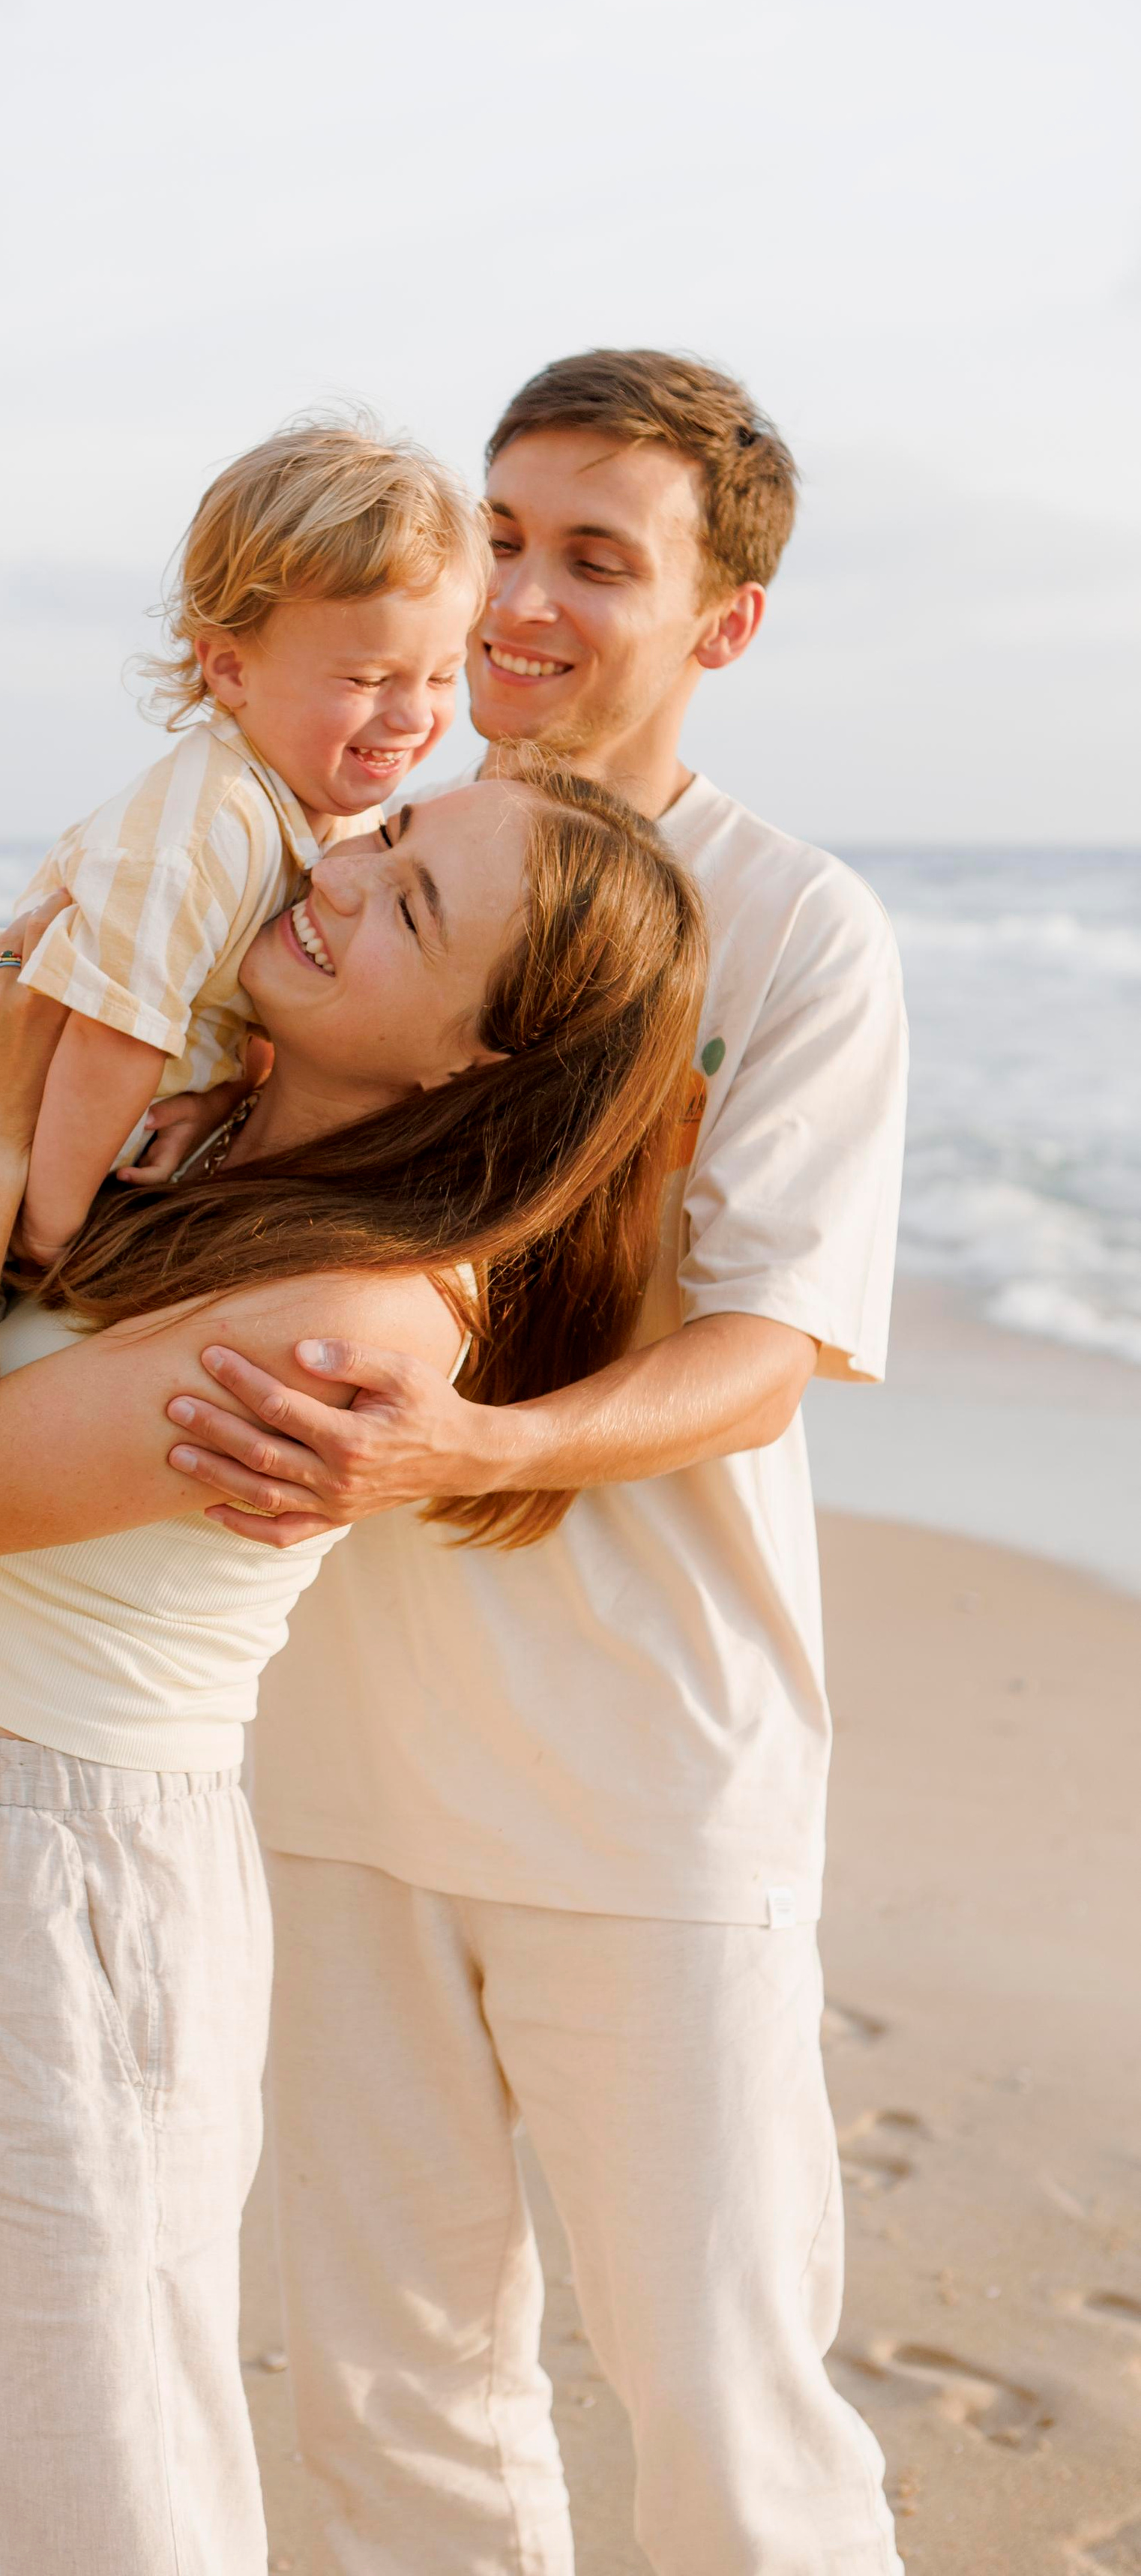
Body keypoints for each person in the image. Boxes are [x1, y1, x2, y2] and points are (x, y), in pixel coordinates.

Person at [0, 771, 705, 2572]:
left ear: (473, 1068)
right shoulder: (194, 1131)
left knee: (67, 2487)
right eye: (386, 836)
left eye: (413, 908)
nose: (340, 871)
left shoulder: (348, 1315)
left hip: (54, 1885)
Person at [153, 350, 911, 2576]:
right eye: (501, 533)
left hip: (648, 1782)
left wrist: (470, 1447)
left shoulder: (793, 930)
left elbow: (767, 1346)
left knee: (725, 2410)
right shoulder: (338, 862)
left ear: (723, 624)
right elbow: (63, 1005)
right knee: (396, 2410)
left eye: (601, 557)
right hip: (329, 1764)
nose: (522, 599)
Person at [0, 421, 484, 1908]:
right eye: (367, 676)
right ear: (225, 666)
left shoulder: (326, 808)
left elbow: (234, 1022)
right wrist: (52, 1241)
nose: (409, 713)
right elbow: (110, 1037)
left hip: (19, 1130)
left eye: (438, 676)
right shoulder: (203, 822)